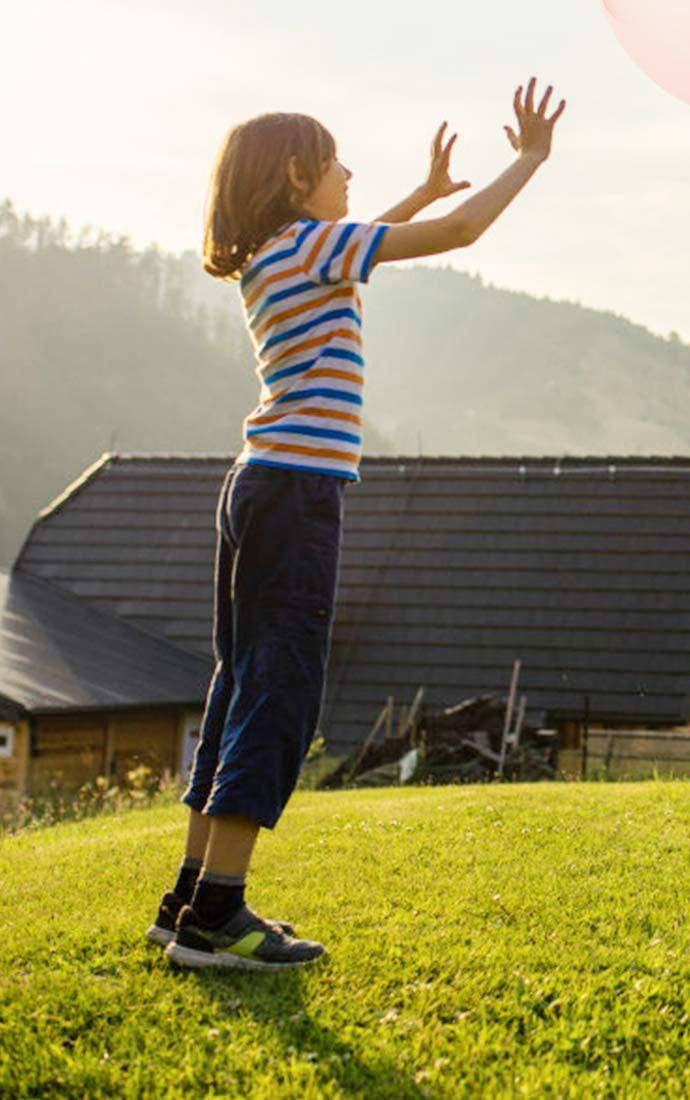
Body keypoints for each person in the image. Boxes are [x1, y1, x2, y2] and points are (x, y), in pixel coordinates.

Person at [154, 79, 566, 971]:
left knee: (240, 683)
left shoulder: (279, 253)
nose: (348, 171)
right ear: (295, 175)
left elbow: (363, 239)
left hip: (258, 484)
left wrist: (419, 192)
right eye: (335, 159)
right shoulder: (316, 246)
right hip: (297, 494)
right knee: (278, 688)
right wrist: (529, 159)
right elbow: (461, 233)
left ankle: (187, 895)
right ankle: (217, 914)